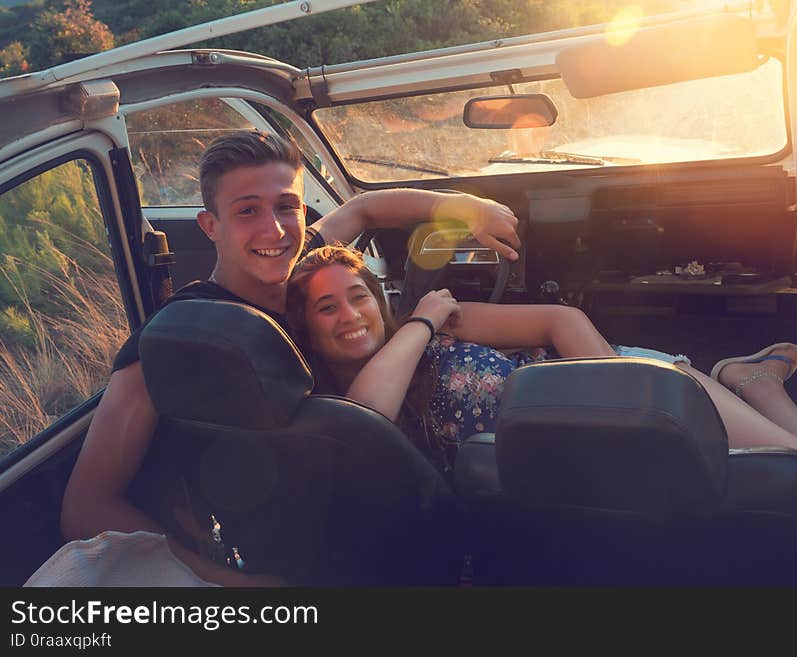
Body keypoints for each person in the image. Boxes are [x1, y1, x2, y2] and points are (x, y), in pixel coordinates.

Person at [60, 131, 522, 586]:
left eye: (285, 206)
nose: (274, 230)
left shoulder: (304, 272)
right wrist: (228, 585)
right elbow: (87, 507)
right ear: (210, 226)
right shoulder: (179, 337)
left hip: (367, 518)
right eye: (247, 211)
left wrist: (467, 206)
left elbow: (363, 208)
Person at [287, 246, 797, 474]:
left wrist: (625, 404)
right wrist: (417, 326)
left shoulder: (443, 321)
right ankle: (754, 381)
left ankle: (754, 383)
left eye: (359, 296)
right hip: (574, 464)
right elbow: (370, 416)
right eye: (327, 307)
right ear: (306, 326)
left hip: (640, 391)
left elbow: (560, 322)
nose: (351, 315)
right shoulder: (339, 404)